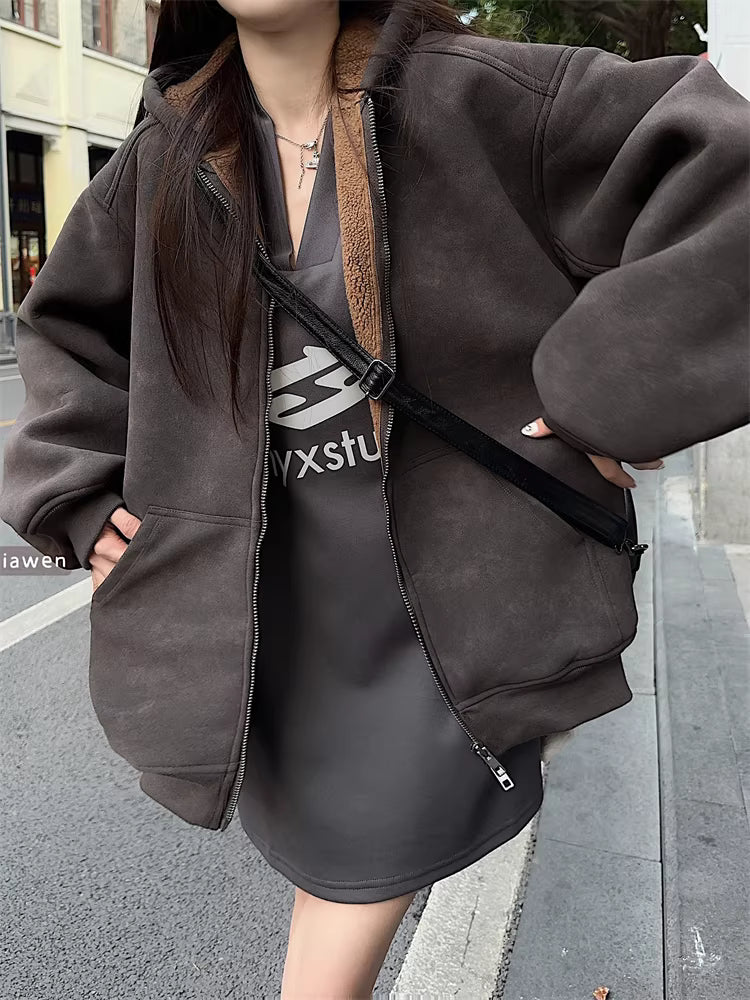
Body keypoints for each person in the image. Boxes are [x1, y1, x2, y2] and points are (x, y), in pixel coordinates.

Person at [1, 1, 748, 995]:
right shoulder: (165, 157)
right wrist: (77, 496)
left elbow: (728, 178)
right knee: (326, 887)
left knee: (332, 939)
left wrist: (610, 393)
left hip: (443, 631)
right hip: (271, 637)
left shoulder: (480, 96)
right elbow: (64, 333)